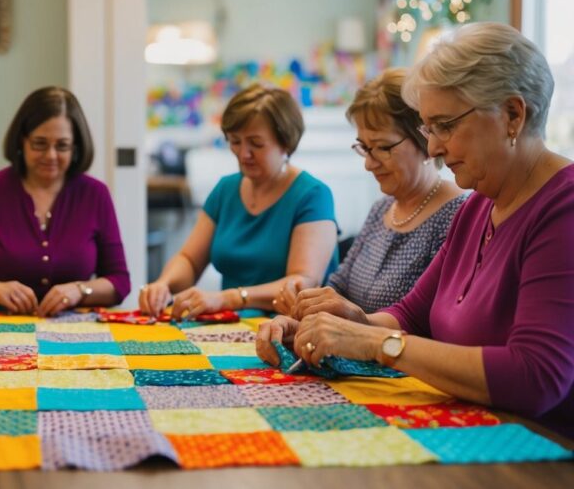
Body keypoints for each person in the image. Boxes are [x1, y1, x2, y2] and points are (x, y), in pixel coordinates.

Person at [257, 22, 574, 438]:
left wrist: (375, 344)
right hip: (471, 435)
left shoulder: (562, 210)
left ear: (513, 114)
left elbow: (537, 377)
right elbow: (411, 316)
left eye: (446, 125)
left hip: (538, 454)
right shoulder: (478, 206)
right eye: (429, 129)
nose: (435, 148)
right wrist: (343, 326)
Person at [275, 69, 466, 319]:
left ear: (426, 140)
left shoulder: (457, 215)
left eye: (383, 148)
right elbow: (339, 286)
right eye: (365, 148)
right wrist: (304, 297)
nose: (368, 163)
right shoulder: (382, 209)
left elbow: (429, 322)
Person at [139, 85, 339, 320]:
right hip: (229, 324)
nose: (244, 153)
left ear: (286, 142)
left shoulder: (313, 195)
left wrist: (227, 298)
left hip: (287, 330)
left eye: (256, 143)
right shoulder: (226, 189)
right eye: (235, 141)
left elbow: (302, 282)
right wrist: (163, 284)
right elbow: (190, 260)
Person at [0, 86, 130, 316]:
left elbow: (119, 280)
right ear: (22, 141)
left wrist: (80, 290)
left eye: (62, 145)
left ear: (76, 147)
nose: (51, 155)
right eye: (40, 143)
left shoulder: (96, 195)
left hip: (76, 336)